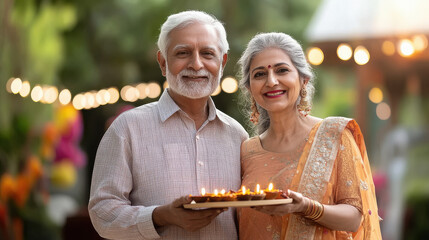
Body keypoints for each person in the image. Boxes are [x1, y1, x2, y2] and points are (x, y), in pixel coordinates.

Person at [88, 10, 248, 239]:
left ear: (222, 63)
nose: (196, 64)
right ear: (163, 63)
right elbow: (102, 214)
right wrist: (162, 216)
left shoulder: (237, 136)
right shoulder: (127, 129)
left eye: (207, 54)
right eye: (183, 53)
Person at [237, 32, 382, 239]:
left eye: (282, 70)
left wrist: (306, 206)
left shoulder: (334, 135)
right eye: (259, 74)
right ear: (250, 87)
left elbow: (354, 217)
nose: (271, 81)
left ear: (303, 79)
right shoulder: (247, 150)